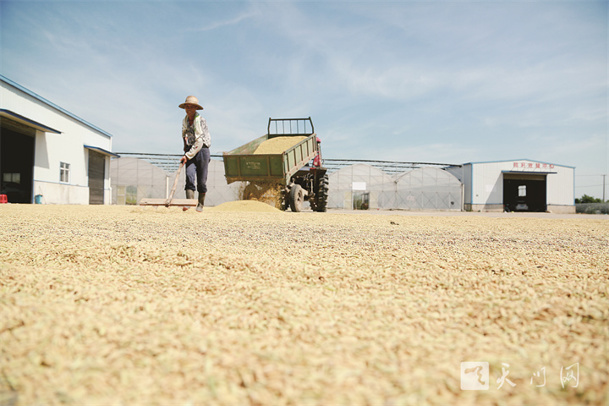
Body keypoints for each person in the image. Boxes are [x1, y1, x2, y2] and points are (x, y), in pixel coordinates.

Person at [178, 95, 211, 212]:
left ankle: (200, 204)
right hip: (191, 149)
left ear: (195, 109)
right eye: (187, 107)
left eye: (191, 107)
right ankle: (189, 202)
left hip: (202, 149)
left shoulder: (200, 120)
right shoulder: (185, 120)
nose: (188, 109)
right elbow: (183, 134)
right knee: (189, 175)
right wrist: (185, 147)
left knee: (201, 180)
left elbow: (200, 141)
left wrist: (187, 154)